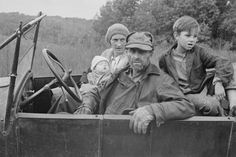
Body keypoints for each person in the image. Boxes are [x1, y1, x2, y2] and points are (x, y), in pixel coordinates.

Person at [75, 31, 195, 134]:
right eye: (132, 51)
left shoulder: (160, 80)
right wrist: (87, 105)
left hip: (131, 139)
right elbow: (97, 92)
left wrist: (151, 110)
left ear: (150, 53)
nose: (136, 56)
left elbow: (186, 106)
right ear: (127, 52)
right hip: (104, 130)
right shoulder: (119, 74)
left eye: (142, 52)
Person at [158, 15, 234, 116]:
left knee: (228, 70)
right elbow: (164, 82)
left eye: (195, 36)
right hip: (182, 95)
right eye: (188, 36)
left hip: (200, 90)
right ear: (176, 36)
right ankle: (219, 110)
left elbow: (223, 62)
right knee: (212, 105)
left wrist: (218, 82)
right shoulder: (165, 58)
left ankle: (233, 106)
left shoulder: (199, 51)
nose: (192, 40)